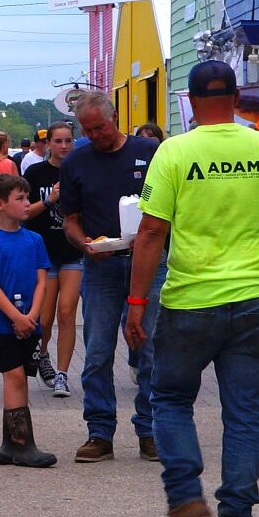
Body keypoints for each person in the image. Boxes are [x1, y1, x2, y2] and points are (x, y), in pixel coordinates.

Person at [131, 60, 259, 517]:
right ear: (236, 98)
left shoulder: (174, 152)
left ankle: (186, 501)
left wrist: (135, 301)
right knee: (246, 416)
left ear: (189, 102)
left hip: (190, 300)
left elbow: (150, 232)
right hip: (255, 298)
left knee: (169, 400)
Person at [60, 93, 159, 464]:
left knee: (149, 347)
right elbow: (70, 218)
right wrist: (82, 242)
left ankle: (150, 430)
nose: (95, 135)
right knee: (98, 351)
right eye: (87, 129)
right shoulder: (76, 161)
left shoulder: (150, 152)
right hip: (100, 264)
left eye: (99, 127)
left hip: (147, 262)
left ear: (114, 117)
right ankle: (100, 432)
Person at [0, 174, 55, 467]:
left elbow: (42, 280)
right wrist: (15, 316)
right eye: (20, 199)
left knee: (22, 378)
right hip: (0, 323)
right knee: (15, 377)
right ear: (0, 204)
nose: (27, 204)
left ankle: (9, 443)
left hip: (29, 321)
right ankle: (22, 443)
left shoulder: (34, 239)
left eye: (27, 197)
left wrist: (32, 315)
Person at [25, 122, 80, 396]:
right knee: (44, 320)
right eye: (58, 141)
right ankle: (42, 353)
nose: (64, 146)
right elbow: (24, 213)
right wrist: (50, 200)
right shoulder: (36, 173)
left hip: (73, 252)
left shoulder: (81, 171)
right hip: (44, 253)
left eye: (68, 141)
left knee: (67, 313)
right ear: (48, 144)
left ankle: (62, 374)